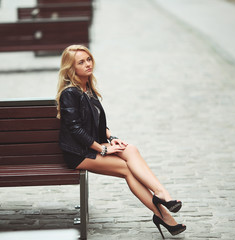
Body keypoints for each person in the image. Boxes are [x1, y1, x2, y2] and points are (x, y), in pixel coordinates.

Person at [55, 45, 186, 238]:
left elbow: (97, 124)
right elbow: (76, 130)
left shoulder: (88, 88)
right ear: (71, 68)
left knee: (130, 148)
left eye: (88, 59)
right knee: (126, 169)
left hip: (90, 146)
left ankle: (162, 195)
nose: (87, 64)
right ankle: (164, 214)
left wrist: (112, 139)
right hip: (78, 153)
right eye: (81, 62)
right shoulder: (70, 93)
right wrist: (103, 150)